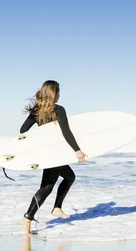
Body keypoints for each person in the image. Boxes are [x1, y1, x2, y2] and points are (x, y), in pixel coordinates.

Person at [19, 80, 87, 236]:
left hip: (46, 154)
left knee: (69, 177)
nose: (59, 95)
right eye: (58, 92)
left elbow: (23, 130)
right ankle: (28, 217)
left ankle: (55, 208)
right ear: (53, 94)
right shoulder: (58, 110)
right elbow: (66, 132)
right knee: (47, 186)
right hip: (55, 154)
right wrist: (77, 150)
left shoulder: (36, 112)